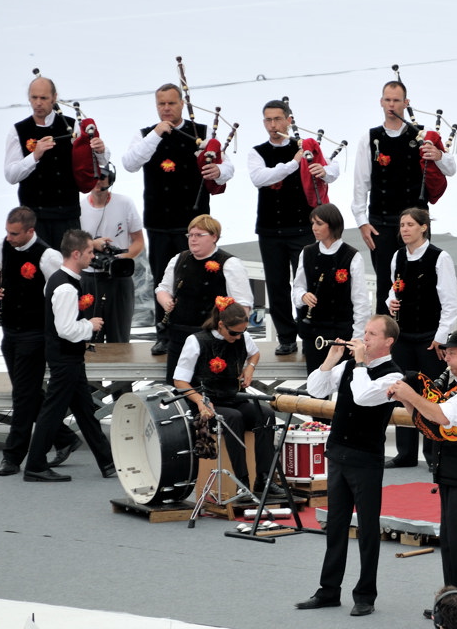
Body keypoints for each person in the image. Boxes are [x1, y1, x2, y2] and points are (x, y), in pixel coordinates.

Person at [294, 315, 403, 618]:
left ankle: (365, 594)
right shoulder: (350, 367)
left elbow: (364, 397)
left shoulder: (393, 376)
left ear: (388, 341)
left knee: (368, 530)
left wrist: (359, 363)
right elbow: (315, 389)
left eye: (371, 334)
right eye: (364, 332)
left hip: (366, 460)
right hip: (338, 454)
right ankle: (328, 590)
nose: (364, 338)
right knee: (335, 527)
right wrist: (330, 360)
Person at [122, 83, 234, 355]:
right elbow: (129, 163)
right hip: (159, 221)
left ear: (182, 103)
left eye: (171, 103)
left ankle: (202, 328)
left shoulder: (201, 133)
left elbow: (228, 168)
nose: (166, 109)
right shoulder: (145, 135)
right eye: (161, 104)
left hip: (194, 222)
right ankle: (165, 333)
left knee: (198, 277)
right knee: (163, 278)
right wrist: (156, 135)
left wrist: (217, 170)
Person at [389, 329, 457, 603]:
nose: (446, 356)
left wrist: (412, 396)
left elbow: (443, 416)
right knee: (450, 543)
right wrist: (406, 398)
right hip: (452, 473)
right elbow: (431, 424)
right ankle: (452, 600)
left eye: (452, 352)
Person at [352, 80, 456, 315]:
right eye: (387, 100)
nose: (391, 105)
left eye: (396, 100)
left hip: (416, 221)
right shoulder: (370, 138)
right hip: (381, 222)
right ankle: (385, 341)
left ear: (406, 103)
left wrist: (438, 154)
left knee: (421, 279)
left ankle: (419, 333)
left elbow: (450, 168)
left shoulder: (421, 136)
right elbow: (361, 183)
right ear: (381, 102)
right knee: (385, 285)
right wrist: (362, 222)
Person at [248, 99, 340, 356]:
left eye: (278, 119)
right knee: (277, 286)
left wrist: (323, 170)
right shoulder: (257, 151)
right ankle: (286, 337)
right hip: (269, 230)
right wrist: (293, 163)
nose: (273, 125)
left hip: (302, 229)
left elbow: (333, 170)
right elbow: (260, 178)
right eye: (268, 120)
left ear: (289, 119)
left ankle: (310, 333)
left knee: (306, 284)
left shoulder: (306, 147)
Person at [0, 207, 81, 477]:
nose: (9, 237)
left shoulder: (48, 256)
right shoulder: (4, 246)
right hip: (10, 330)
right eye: (8, 232)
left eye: (14, 233)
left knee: (22, 395)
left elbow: (61, 291)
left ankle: (13, 456)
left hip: (34, 334)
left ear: (31, 231)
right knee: (28, 392)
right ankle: (64, 436)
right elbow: (1, 271)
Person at [23, 230, 115, 482]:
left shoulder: (59, 279)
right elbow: (65, 329)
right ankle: (35, 465)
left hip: (66, 357)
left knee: (85, 410)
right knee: (52, 412)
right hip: (65, 357)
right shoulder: (65, 287)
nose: (91, 256)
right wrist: (90, 325)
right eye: (89, 252)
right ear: (76, 254)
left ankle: (107, 462)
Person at [172, 300, 283, 500]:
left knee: (265, 414)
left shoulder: (242, 336)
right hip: (208, 402)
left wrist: (249, 368)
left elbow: (255, 353)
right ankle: (242, 482)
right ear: (220, 325)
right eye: (234, 333)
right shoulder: (196, 341)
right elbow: (180, 380)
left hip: (233, 397)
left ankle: (264, 479)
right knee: (233, 418)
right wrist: (200, 401)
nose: (238, 337)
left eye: (242, 332)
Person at [385, 207, 457, 468]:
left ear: (423, 227)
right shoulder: (397, 256)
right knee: (404, 391)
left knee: (431, 394)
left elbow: (450, 303)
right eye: (402, 225)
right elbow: (393, 290)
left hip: (429, 337)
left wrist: (440, 337)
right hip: (404, 335)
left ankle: (432, 453)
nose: (404, 230)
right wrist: (391, 302)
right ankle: (405, 452)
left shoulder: (440, 258)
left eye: (409, 225)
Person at [4, 77, 108, 247]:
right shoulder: (18, 130)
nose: (38, 103)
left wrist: (100, 150)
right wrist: (34, 156)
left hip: (67, 215)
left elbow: (95, 162)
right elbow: (10, 175)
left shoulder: (71, 126)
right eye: (34, 98)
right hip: (34, 218)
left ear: (54, 97)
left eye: (43, 98)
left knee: (68, 269)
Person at [155, 215, 252, 384]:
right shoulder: (179, 259)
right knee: (178, 387)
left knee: (211, 389)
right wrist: (165, 301)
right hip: (179, 335)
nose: (193, 239)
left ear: (214, 237)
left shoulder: (229, 263)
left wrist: (231, 333)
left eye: (199, 235)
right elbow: (163, 288)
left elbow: (243, 305)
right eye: (190, 235)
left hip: (212, 338)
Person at [292, 203, 370, 375]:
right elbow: (297, 286)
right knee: (315, 384)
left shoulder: (351, 256)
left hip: (341, 333)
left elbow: (360, 301)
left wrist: (356, 338)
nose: (314, 228)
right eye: (313, 223)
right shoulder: (307, 253)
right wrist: (303, 296)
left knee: (345, 386)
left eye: (319, 223)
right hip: (314, 332)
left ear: (332, 224)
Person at [79, 162, 145, 343]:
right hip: (90, 278)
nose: (97, 182)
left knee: (120, 338)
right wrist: (92, 245)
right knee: (90, 339)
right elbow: (71, 246)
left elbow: (139, 241)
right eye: (92, 177)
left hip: (119, 279)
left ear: (110, 179)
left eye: (101, 177)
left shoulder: (125, 203)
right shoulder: (80, 208)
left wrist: (120, 259)